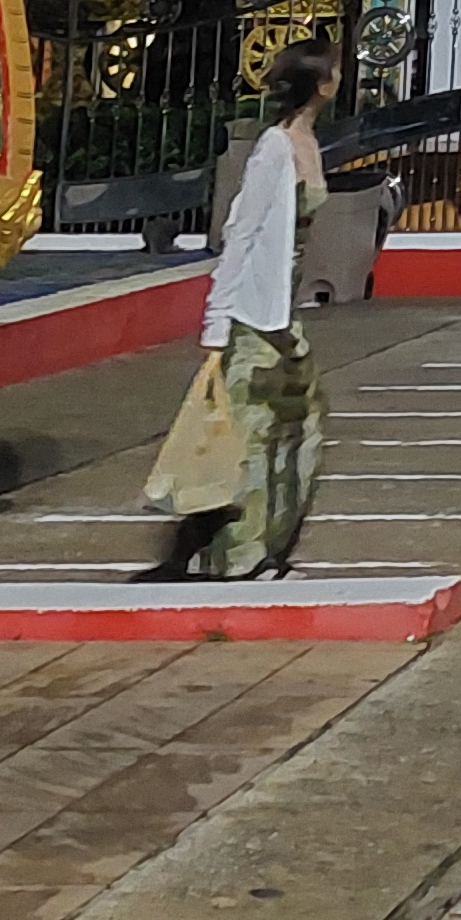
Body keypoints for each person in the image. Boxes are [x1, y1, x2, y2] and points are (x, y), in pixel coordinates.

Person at [194, 43, 336, 577]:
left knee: (301, 426)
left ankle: (274, 545)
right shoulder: (274, 148)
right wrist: (217, 319)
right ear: (320, 84)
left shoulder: (308, 142)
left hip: (283, 313)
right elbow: (241, 231)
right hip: (254, 316)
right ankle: (236, 555)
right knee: (252, 436)